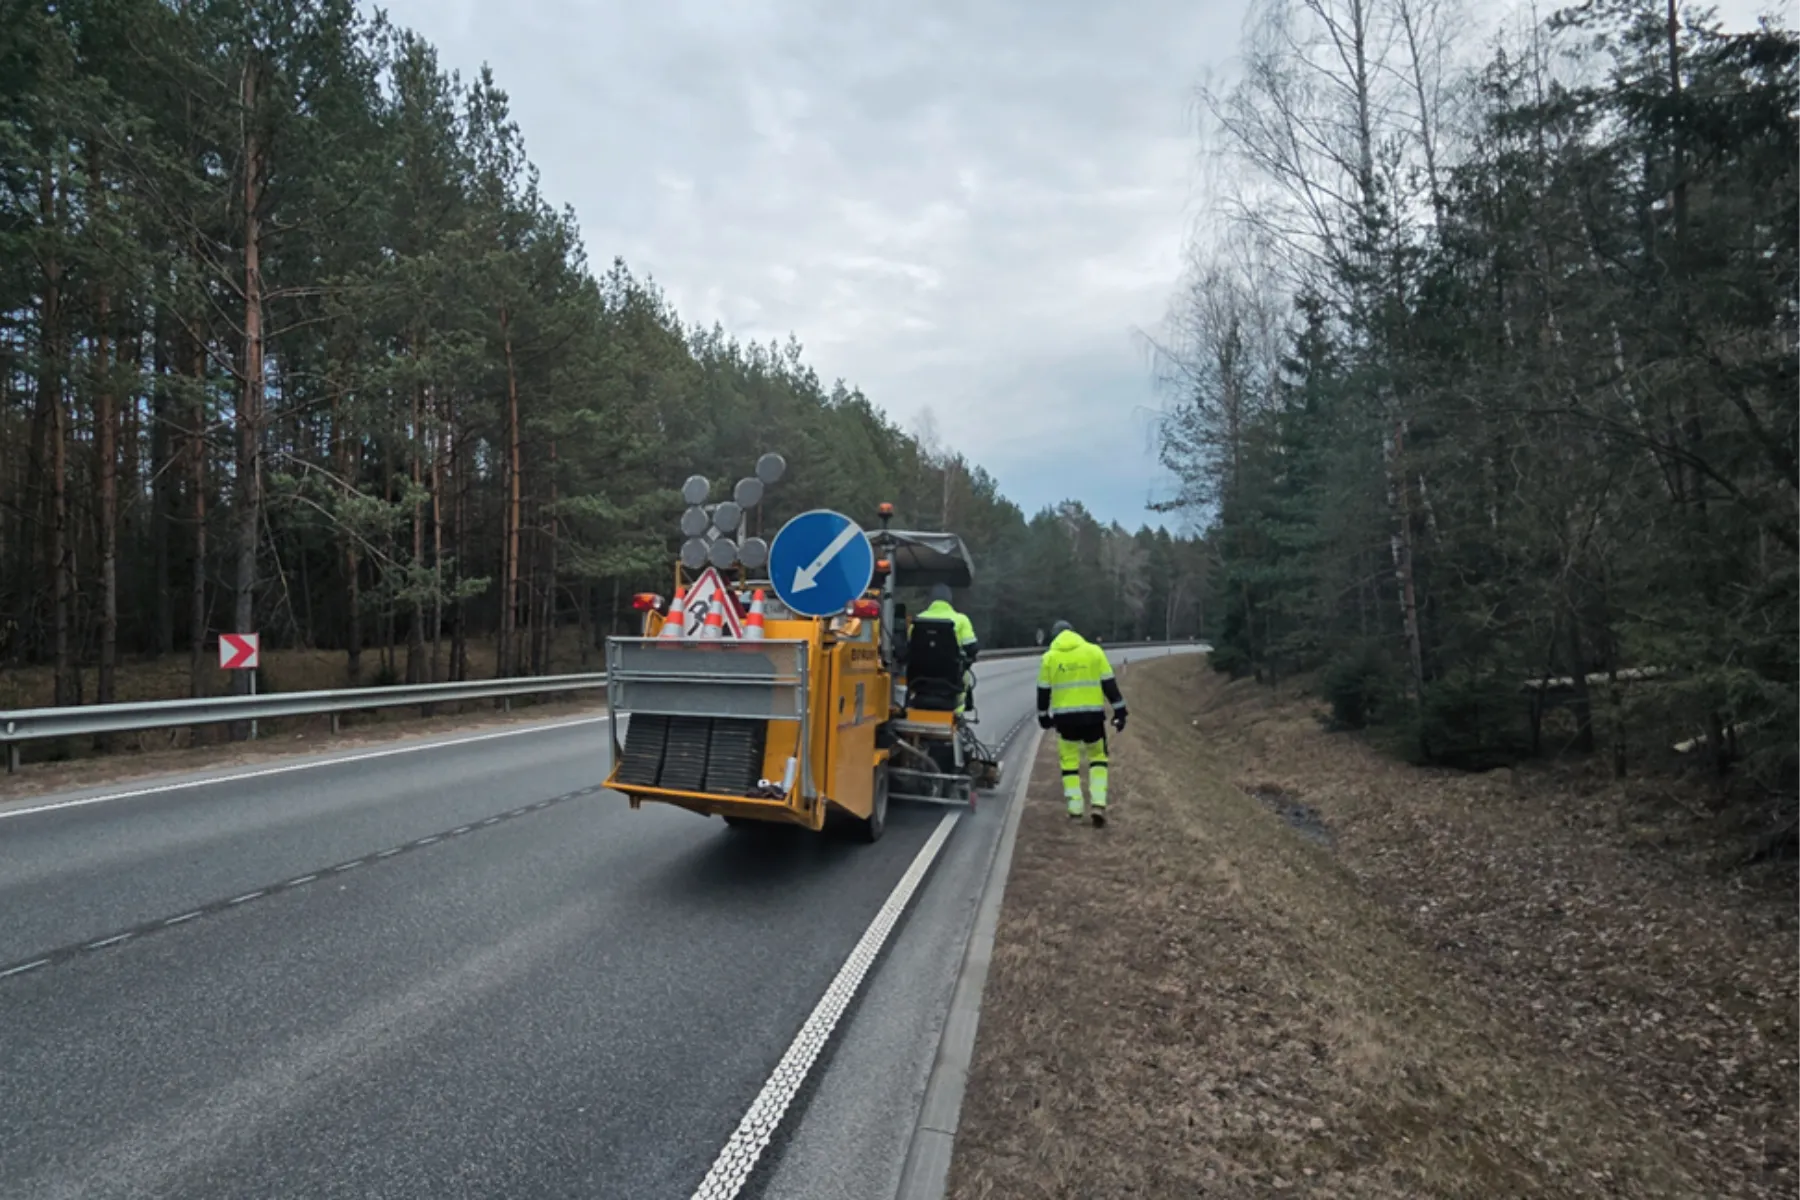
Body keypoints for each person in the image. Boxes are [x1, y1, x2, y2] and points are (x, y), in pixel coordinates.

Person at [1035, 619, 1128, 826]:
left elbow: (1043, 691)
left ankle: (1075, 810)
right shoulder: (1094, 652)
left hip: (1065, 721)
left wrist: (1043, 716)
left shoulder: (1049, 657)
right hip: (1093, 718)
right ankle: (1098, 804)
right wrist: (1120, 712)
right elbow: (1109, 685)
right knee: (1098, 759)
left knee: (1069, 763)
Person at [911, 582, 980, 717]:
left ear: (931, 600)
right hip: (951, 679)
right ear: (949, 600)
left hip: (919, 679)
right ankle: (958, 713)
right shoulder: (961, 620)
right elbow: (972, 647)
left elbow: (910, 647)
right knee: (965, 678)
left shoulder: (918, 620)